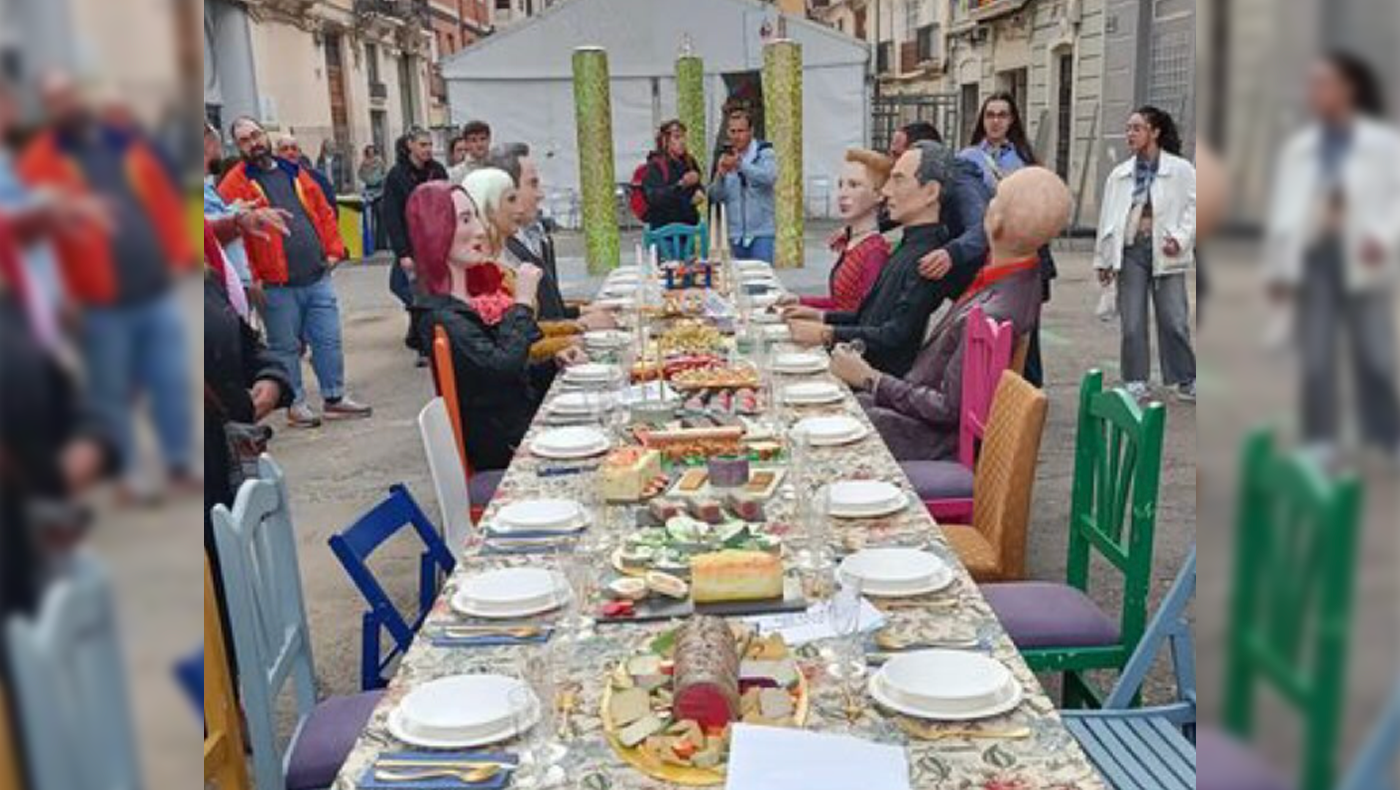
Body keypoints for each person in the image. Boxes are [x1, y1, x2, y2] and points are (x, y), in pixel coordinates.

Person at [19, 71, 197, 499]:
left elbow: (163, 201)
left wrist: (176, 257)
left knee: (171, 382)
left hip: (155, 290)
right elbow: (38, 239)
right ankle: (127, 475)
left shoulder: (124, 143)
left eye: (69, 96)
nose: (66, 105)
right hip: (99, 302)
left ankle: (179, 465)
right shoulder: (40, 162)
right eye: (54, 100)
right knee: (110, 393)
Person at [831, 167, 1070, 461]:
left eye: (993, 200)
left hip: (927, 438)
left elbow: (949, 408)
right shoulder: (1020, 277)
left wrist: (871, 378)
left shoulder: (994, 312)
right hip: (915, 409)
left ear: (994, 223)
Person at [1265, 52, 1400, 461]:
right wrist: (1279, 271)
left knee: (1374, 353)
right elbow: (1284, 212)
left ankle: (1386, 433)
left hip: (1364, 257)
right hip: (1314, 259)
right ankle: (1319, 438)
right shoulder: (1301, 147)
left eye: (1324, 83)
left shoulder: (1381, 144)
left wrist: (1382, 236)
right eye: (1312, 83)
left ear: (1348, 89)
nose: (1315, 92)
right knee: (1317, 354)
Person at [407, 182, 584, 471]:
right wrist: (524, 301)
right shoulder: (441, 316)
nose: (479, 230)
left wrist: (553, 363)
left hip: (514, 432)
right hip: (503, 454)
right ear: (435, 230)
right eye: (465, 220)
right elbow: (503, 367)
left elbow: (502, 381)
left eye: (475, 216)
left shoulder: (465, 302)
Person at [219, 116, 373, 427]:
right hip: (275, 284)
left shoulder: (295, 171)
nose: (253, 143)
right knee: (285, 347)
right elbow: (233, 237)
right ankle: (296, 404)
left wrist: (334, 250)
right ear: (237, 147)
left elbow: (323, 212)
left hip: (317, 275)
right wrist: (253, 278)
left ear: (266, 136)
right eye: (245, 140)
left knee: (328, 339)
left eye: (256, 135)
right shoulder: (232, 185)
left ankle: (334, 397)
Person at [782, 141, 959, 378]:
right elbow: (868, 316)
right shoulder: (908, 246)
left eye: (898, 180)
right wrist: (820, 316)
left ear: (930, 192)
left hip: (873, 383)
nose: (886, 190)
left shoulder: (927, 257)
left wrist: (827, 332)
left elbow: (894, 336)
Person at [1093, 106, 1197, 403]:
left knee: (1174, 318)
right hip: (1131, 251)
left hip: (1166, 250)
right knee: (1133, 321)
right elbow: (1108, 217)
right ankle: (1135, 379)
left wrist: (1180, 238)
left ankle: (1185, 378)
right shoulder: (1120, 174)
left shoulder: (1181, 170)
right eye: (1128, 128)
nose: (1130, 134)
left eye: (1137, 128)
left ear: (1155, 132)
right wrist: (1104, 259)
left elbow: (1195, 207)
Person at [960, 92, 1057, 387]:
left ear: (1012, 120)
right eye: (990, 115)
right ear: (982, 120)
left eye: (1002, 115)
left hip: (1025, 253)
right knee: (986, 323)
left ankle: (1028, 386)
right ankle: (985, 386)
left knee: (1026, 327)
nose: (996, 121)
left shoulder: (1026, 161)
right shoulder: (968, 158)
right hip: (985, 253)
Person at [465, 166, 587, 361]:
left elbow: (525, 328)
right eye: (511, 200)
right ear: (487, 208)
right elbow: (511, 344)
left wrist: (572, 329)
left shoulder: (503, 257)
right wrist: (569, 339)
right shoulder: (479, 274)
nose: (519, 209)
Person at [491, 143, 616, 328]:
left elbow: (549, 307)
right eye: (533, 184)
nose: (540, 194)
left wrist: (582, 311)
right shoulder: (499, 256)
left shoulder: (532, 234)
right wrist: (579, 327)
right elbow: (522, 335)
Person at [791, 148, 892, 312]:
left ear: (879, 194)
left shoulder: (874, 251)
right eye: (841, 185)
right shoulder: (855, 242)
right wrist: (798, 301)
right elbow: (840, 303)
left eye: (854, 185)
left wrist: (812, 315)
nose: (842, 194)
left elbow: (865, 317)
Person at [381, 127, 449, 364]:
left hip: (435, 243)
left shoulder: (437, 171)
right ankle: (420, 337)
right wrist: (403, 252)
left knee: (430, 294)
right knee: (404, 288)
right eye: (423, 145)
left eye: (430, 145)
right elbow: (392, 216)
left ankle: (425, 343)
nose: (428, 149)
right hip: (412, 245)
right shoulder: (397, 175)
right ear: (410, 145)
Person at [707, 109, 777, 262]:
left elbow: (769, 178)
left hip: (761, 232)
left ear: (751, 131)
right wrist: (720, 175)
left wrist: (741, 165)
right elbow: (715, 196)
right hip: (735, 234)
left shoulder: (764, 152)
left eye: (741, 131)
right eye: (732, 131)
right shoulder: (725, 156)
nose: (736, 136)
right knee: (740, 282)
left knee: (760, 281)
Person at [641, 120, 704, 228]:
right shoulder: (655, 165)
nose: (682, 142)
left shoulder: (689, 162)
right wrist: (680, 185)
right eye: (677, 137)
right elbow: (654, 197)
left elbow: (699, 186)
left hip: (688, 227)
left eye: (684, 137)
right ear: (665, 140)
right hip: (664, 230)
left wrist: (700, 192)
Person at [274, 133, 338, 213]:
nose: (290, 152)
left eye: (294, 148)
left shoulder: (318, 178)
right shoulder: (270, 180)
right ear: (277, 154)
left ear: (300, 153)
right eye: (284, 149)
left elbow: (331, 210)